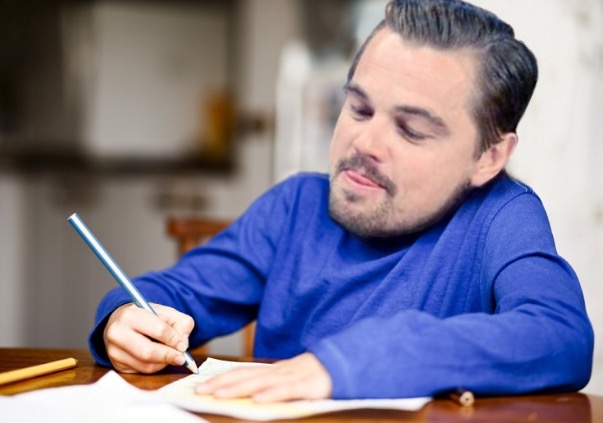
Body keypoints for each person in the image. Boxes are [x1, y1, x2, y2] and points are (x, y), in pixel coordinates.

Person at [89, 0, 593, 402]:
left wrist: (350, 363)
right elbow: (169, 293)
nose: (365, 143)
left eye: (412, 130)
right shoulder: (295, 208)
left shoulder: (501, 217)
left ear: (488, 156)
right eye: (357, 108)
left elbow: (560, 335)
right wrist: (126, 318)